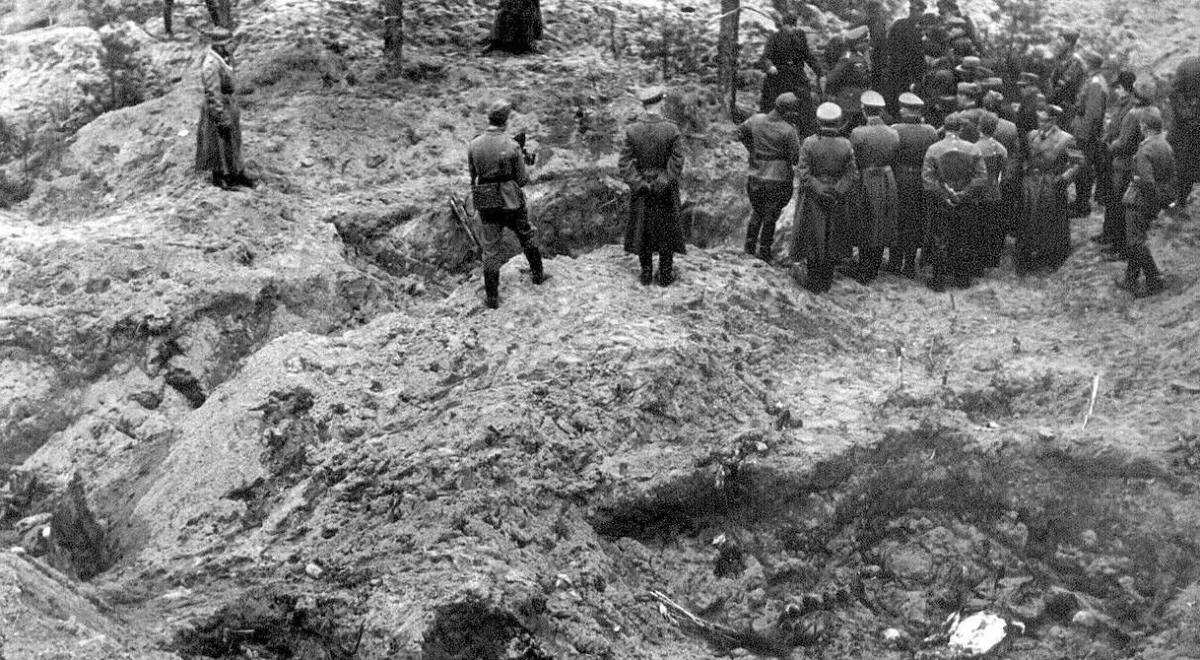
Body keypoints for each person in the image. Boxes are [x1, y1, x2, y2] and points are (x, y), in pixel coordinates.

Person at [467, 99, 548, 309]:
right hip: (510, 201)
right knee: (526, 235)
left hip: (486, 201)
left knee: (491, 250)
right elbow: (522, 180)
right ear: (505, 120)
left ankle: (492, 297)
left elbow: (473, 175)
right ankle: (538, 275)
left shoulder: (474, 145)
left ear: (489, 119)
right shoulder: (512, 146)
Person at [619, 86, 686, 286]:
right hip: (665, 188)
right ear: (661, 102)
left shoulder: (632, 130)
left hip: (642, 188)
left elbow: (624, 162)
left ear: (644, 105)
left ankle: (646, 274)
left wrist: (639, 184)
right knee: (667, 229)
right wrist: (664, 180)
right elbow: (677, 160)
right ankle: (665, 275)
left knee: (643, 229)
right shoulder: (671, 129)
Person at [793, 102, 859, 293]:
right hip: (836, 198)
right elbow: (852, 174)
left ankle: (813, 281)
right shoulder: (846, 144)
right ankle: (826, 281)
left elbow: (803, 173)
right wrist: (837, 190)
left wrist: (819, 189)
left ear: (818, 121)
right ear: (838, 122)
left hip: (814, 198)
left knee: (813, 237)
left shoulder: (809, 143)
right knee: (833, 238)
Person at [922, 112, 987, 290]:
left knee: (940, 238)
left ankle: (939, 280)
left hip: (941, 201)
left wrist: (945, 195)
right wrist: (963, 194)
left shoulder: (933, 149)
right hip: (966, 202)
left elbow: (928, 179)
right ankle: (962, 279)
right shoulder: (973, 149)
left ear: (944, 127)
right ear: (961, 128)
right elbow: (981, 178)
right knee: (964, 237)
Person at [1017, 104, 1083, 273]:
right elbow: (1023, 157)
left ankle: (1053, 256)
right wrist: (1024, 170)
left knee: (1053, 221)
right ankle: (1031, 254)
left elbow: (1078, 163)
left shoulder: (1066, 139)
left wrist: (1063, 179)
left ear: (1053, 121)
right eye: (1038, 120)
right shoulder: (1031, 135)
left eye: (1044, 120)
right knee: (1029, 220)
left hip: (1052, 184)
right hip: (1032, 184)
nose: (1040, 124)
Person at [737, 93, 802, 263]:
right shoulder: (789, 130)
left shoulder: (756, 119)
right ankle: (764, 251)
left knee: (757, 211)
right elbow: (796, 158)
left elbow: (739, 132)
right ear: (787, 112)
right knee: (770, 217)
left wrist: (752, 150)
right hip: (778, 178)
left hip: (756, 174)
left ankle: (748, 248)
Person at [1119, 106, 1176, 296]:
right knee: (1137, 238)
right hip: (1156, 198)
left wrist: (1150, 201)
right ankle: (1130, 278)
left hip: (1140, 201)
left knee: (1135, 242)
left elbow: (1146, 181)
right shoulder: (1165, 145)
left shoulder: (1146, 149)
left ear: (1144, 126)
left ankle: (1154, 278)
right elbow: (1171, 176)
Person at [849, 90, 900, 282]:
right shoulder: (893, 133)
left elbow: (853, 158)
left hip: (866, 179)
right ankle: (875, 266)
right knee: (881, 221)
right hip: (887, 179)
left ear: (864, 110)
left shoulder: (858, 133)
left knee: (865, 220)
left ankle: (864, 268)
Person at [1105, 77, 1158, 260]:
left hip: (1124, 165)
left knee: (1120, 207)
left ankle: (1120, 248)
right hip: (1140, 166)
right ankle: (1123, 247)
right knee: (1129, 210)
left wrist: (1110, 146)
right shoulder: (1153, 112)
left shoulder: (1133, 114)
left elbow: (1123, 143)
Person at [195, 28, 254, 190]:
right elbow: (213, 94)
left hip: (228, 104)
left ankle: (237, 173)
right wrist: (220, 116)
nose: (232, 46)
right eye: (229, 44)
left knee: (233, 141)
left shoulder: (225, 58)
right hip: (218, 108)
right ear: (220, 46)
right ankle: (221, 177)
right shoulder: (210, 64)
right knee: (218, 144)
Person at [891, 92, 939, 278]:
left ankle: (895, 261)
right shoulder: (930, 131)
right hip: (920, 179)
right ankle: (910, 264)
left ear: (905, 111)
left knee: (898, 218)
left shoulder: (895, 129)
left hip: (899, 178)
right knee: (915, 220)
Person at [758, 12, 824, 137]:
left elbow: (808, 56)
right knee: (773, 103)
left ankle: (808, 134)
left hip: (796, 74)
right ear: (783, 25)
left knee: (806, 101)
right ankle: (768, 131)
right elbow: (765, 57)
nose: (791, 29)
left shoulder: (800, 36)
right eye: (789, 26)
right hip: (779, 75)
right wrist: (770, 66)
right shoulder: (774, 37)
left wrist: (819, 71)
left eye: (794, 26)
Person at [1069, 48, 1109, 218]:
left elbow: (1093, 114)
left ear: (1090, 64)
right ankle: (1080, 201)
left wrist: (1084, 136)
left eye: (1084, 62)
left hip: (1085, 134)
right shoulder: (1097, 80)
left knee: (1083, 170)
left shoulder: (1095, 83)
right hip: (1085, 132)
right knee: (1082, 168)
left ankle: (1082, 206)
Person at [976, 111, 1009, 268]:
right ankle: (992, 259)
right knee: (992, 226)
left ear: (979, 127)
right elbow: (1003, 170)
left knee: (978, 227)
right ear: (995, 129)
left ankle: (979, 259)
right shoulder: (1001, 149)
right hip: (995, 190)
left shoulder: (975, 148)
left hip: (978, 193)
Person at [826, 26, 873, 136]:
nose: (868, 44)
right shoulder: (847, 58)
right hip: (849, 101)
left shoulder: (863, 56)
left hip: (860, 101)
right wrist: (834, 94)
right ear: (858, 43)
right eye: (865, 41)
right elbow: (832, 78)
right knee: (846, 131)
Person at [1168, 55, 1200, 212]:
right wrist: (1185, 113)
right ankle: (1179, 198)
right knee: (1182, 164)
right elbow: (1174, 91)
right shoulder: (1188, 64)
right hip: (1184, 128)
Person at [887, 0, 928, 112]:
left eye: (920, 12)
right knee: (898, 96)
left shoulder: (922, 27)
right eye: (914, 11)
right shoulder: (900, 24)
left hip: (912, 70)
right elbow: (890, 45)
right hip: (900, 68)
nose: (918, 14)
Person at [1048, 29, 1086, 122]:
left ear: (1068, 43)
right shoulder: (1061, 57)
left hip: (1064, 106)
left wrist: (1049, 97)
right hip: (1054, 102)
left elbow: (1064, 84)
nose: (1057, 44)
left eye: (1061, 41)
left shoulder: (1075, 61)